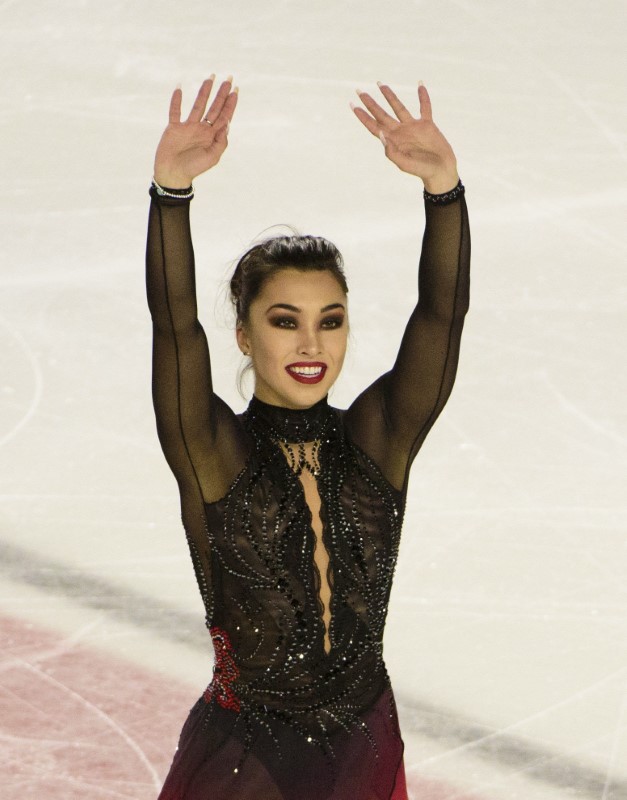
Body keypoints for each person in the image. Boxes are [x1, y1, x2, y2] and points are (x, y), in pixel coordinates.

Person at [146, 74, 470, 800]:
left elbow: (440, 320)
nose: (310, 342)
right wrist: (171, 194)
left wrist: (442, 189)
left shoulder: (377, 439)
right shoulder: (214, 451)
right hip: (246, 758)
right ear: (243, 332)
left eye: (330, 319)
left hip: (362, 741)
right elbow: (173, 326)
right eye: (283, 319)